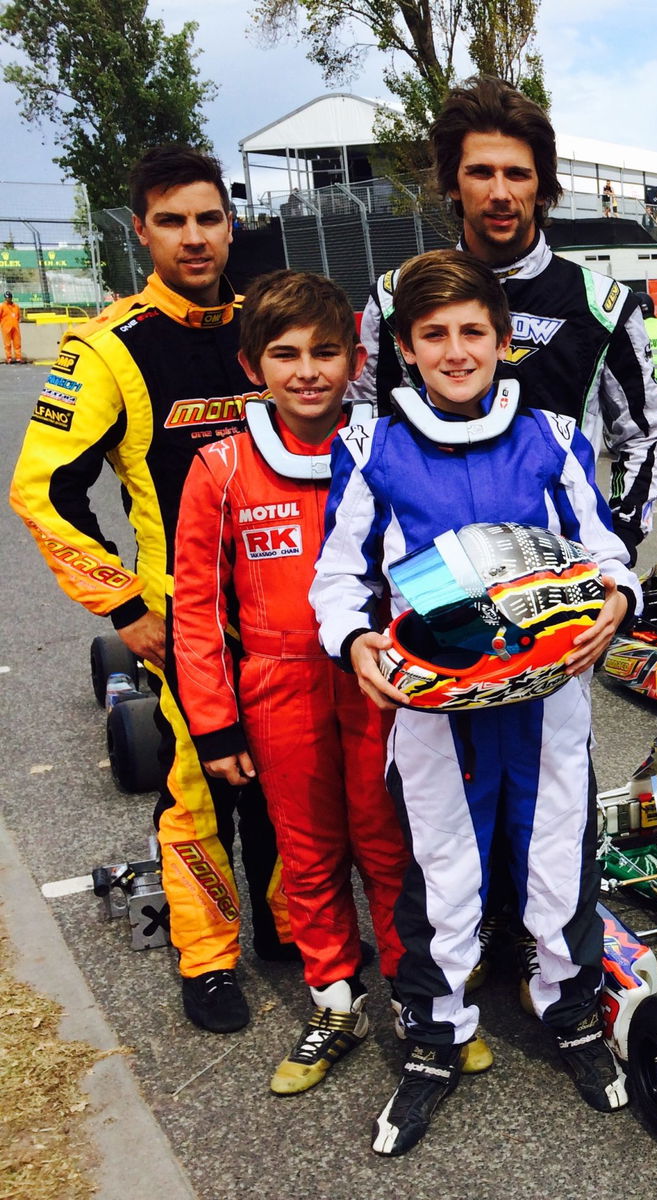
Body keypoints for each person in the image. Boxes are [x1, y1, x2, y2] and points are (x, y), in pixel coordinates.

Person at [312, 250, 641, 1156]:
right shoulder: (371, 444)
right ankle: (435, 1035)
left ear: (503, 340)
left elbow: (607, 553)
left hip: (548, 704)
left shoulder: (554, 437)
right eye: (433, 336)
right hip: (433, 711)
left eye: (472, 332)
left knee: (557, 866)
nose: (456, 351)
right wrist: (355, 641)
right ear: (407, 351)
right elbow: (337, 579)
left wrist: (615, 602)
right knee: (445, 874)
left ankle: (570, 1011)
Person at [9, 145, 291, 1035]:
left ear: (231, 223)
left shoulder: (269, 325)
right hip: (188, 622)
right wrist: (125, 606)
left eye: (209, 218)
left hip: (287, 606)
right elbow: (43, 488)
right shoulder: (107, 348)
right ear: (141, 232)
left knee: (285, 782)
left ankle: (289, 929)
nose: (194, 238)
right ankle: (207, 960)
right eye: (172, 221)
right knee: (200, 792)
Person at [170, 270, 421, 1094]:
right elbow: (198, 611)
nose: (307, 371)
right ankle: (335, 999)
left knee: (392, 847)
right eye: (285, 355)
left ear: (355, 360)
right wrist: (214, 723)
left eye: (325, 352)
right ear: (253, 366)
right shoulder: (221, 467)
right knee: (308, 855)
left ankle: (420, 1005)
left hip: (381, 679)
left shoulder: (389, 443)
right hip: (276, 685)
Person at [349, 75, 657, 568]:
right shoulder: (396, 299)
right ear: (453, 183)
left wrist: (619, 536)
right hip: (426, 583)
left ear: (542, 185)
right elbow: (362, 430)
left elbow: (645, 438)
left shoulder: (603, 305)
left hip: (565, 583)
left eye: (517, 174)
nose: (500, 193)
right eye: (481, 172)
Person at [0, 291, 22, 363]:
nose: (8, 299)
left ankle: (18, 357)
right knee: (7, 344)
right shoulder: (2, 306)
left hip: (15, 327)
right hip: (6, 327)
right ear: (5, 298)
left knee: (17, 343)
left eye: (9, 297)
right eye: (7, 298)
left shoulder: (16, 306)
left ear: (11, 298)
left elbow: (18, 317)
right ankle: (9, 358)